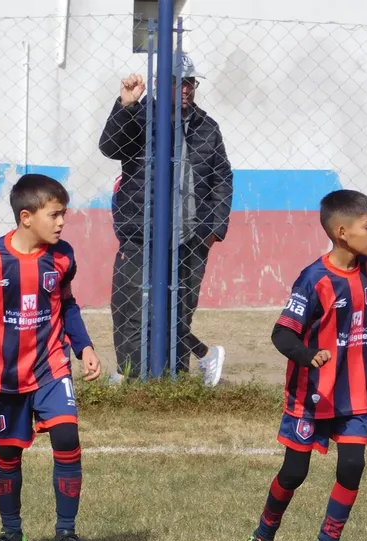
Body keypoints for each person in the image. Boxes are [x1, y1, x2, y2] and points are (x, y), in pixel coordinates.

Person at [0, 174, 102, 541]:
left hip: (52, 367)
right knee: (8, 453)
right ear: (26, 217)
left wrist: (84, 346)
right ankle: (11, 534)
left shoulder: (63, 256)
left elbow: (67, 305)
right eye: (54, 215)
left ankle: (66, 535)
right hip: (3, 376)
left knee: (67, 438)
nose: (61, 223)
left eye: (63, 215)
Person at [228, 190, 367, 541]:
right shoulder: (314, 279)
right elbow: (282, 334)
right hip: (311, 394)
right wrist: (308, 356)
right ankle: (261, 539)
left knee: (352, 466)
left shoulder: (364, 268)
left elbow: (356, 331)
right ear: (343, 232)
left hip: (352, 393)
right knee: (295, 472)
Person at [100, 53, 233, 385]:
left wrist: (214, 230)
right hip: (140, 233)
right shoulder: (142, 116)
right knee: (130, 306)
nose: (185, 89)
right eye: (178, 82)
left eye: (190, 82)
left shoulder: (207, 126)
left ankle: (171, 377)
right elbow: (110, 146)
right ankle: (131, 375)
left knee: (178, 309)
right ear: (161, 84)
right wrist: (126, 105)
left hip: (190, 238)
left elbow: (222, 179)